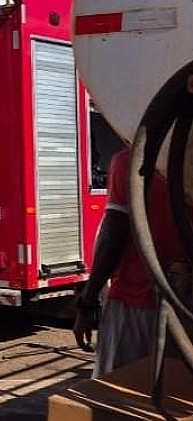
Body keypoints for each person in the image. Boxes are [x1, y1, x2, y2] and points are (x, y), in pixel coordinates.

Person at [73, 148, 189, 378]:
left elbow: (112, 239)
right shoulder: (187, 166)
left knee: (116, 387)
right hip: (184, 309)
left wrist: (87, 302)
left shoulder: (131, 161)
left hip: (135, 304)